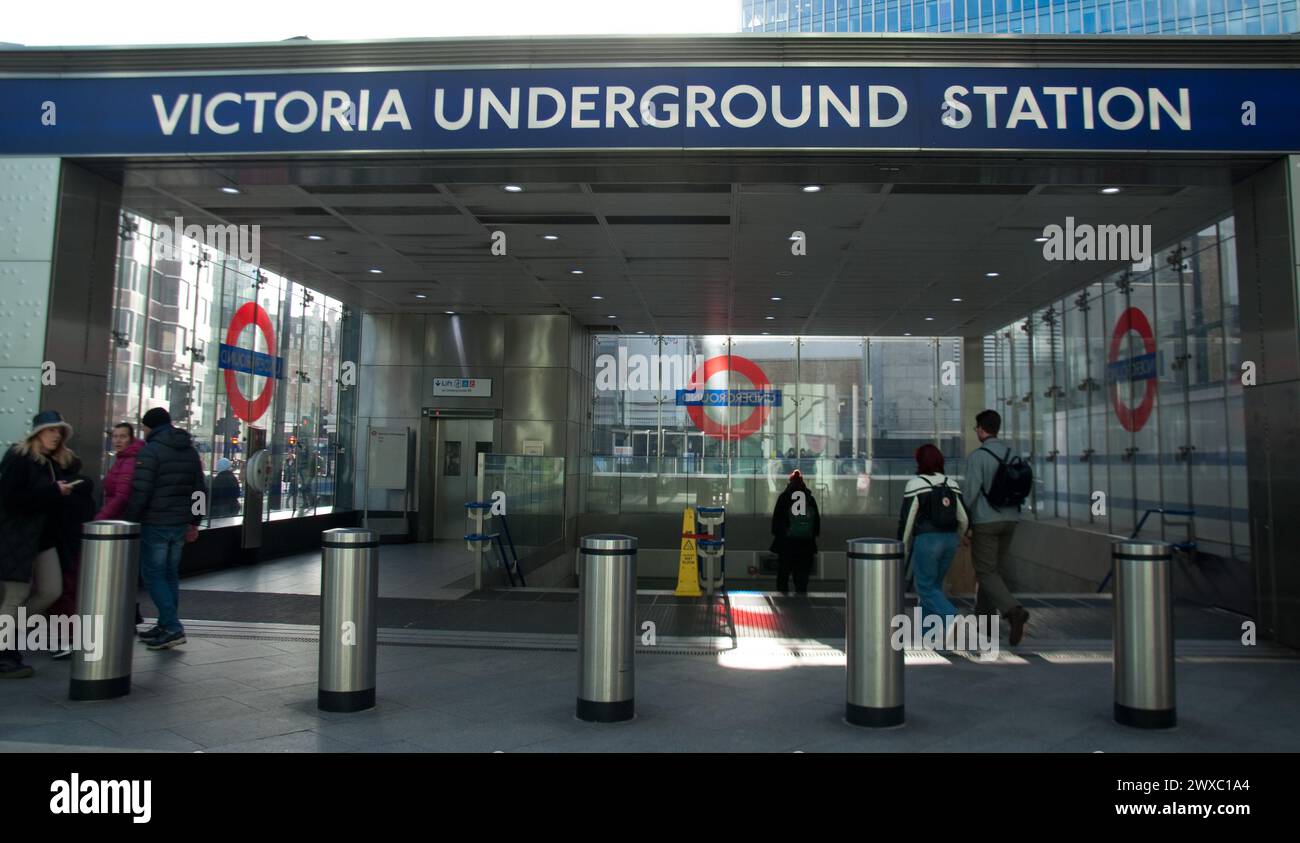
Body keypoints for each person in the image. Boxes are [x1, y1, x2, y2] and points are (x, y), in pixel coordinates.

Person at [0, 411, 81, 677]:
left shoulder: (52, 463)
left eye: (59, 432)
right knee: (15, 596)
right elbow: (11, 500)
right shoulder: (19, 457)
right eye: (51, 431)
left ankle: (7, 639)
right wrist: (53, 491)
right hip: (17, 539)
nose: (56, 436)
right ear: (37, 433)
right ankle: (3, 652)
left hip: (43, 540)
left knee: (50, 591)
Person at [124, 407, 207, 650]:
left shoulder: (150, 452)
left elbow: (141, 491)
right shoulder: (190, 451)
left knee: (154, 575)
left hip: (156, 522)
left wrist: (130, 520)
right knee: (170, 574)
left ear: (149, 427)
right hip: (180, 523)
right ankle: (164, 624)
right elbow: (199, 489)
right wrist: (195, 520)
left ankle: (172, 626)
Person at [964, 409, 1031, 645]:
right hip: (1011, 519)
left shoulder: (977, 457)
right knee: (993, 572)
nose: (976, 432)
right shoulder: (1013, 455)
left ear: (982, 429)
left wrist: (963, 522)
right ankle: (984, 623)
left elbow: (970, 494)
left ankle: (1014, 611)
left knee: (985, 571)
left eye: (976, 428)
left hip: (986, 521)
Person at [897, 444, 969, 642]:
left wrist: (899, 547)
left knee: (925, 588)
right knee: (934, 586)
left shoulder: (916, 484)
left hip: (927, 541)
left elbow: (908, 520)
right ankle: (929, 636)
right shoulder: (951, 484)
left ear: (920, 461)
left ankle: (952, 617)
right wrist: (961, 536)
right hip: (950, 540)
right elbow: (963, 517)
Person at [94, 423, 146, 630]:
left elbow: (122, 496)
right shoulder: (123, 459)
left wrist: (99, 519)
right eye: (115, 436)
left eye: (123, 436)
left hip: (120, 526)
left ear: (131, 438)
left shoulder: (129, 461)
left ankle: (126, 617)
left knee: (120, 573)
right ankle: (128, 616)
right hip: (120, 523)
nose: (118, 440)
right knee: (123, 573)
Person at [770, 470, 820, 595]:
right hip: (806, 544)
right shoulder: (809, 499)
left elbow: (776, 521)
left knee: (783, 574)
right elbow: (816, 522)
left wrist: (779, 535)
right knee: (802, 576)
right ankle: (801, 600)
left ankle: (782, 600)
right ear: (803, 483)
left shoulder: (784, 497)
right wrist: (812, 535)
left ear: (790, 482)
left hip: (787, 544)